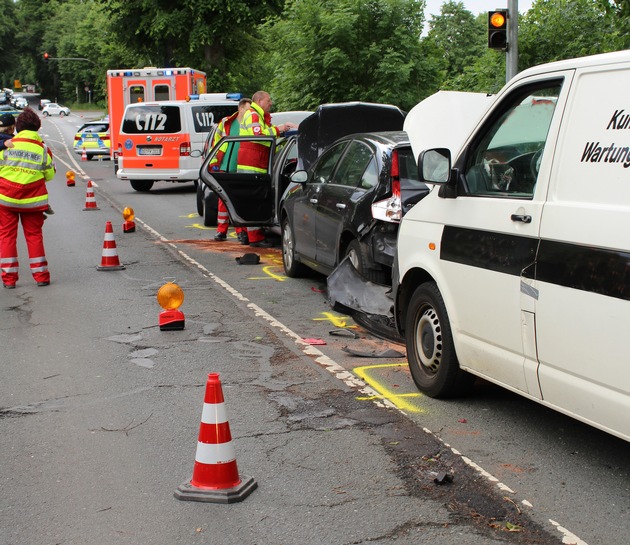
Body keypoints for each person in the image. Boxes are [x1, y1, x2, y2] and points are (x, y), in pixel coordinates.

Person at [0, 107, 56, 288]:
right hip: (32, 202)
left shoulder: (8, 145)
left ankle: (9, 280)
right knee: (34, 236)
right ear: (37, 128)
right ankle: (41, 276)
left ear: (18, 127)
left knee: (7, 237)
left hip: (6, 200)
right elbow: (49, 176)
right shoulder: (43, 149)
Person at [236, 91, 297, 248]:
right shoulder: (254, 115)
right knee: (253, 202)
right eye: (268, 100)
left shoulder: (257, 115)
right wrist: (280, 129)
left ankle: (251, 235)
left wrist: (279, 129)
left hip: (254, 164)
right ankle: (254, 238)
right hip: (252, 165)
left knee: (252, 201)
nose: (271, 103)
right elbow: (261, 136)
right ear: (260, 100)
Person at [209, 97, 252, 244]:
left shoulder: (250, 124)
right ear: (240, 109)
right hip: (225, 166)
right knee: (223, 200)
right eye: (247, 109)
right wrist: (214, 162)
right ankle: (221, 231)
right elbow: (216, 143)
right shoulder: (226, 123)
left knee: (239, 200)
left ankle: (241, 232)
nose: (249, 113)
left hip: (242, 167)